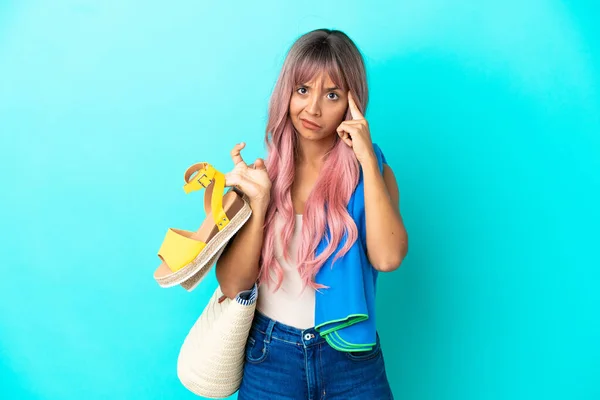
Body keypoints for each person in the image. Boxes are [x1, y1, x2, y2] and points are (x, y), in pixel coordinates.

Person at [217, 28, 408, 400]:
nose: (313, 109)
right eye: (303, 89)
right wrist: (257, 207)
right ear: (286, 91)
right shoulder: (261, 175)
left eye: (332, 94)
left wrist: (367, 158)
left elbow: (387, 258)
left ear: (352, 105)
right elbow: (232, 286)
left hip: (352, 361)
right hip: (270, 356)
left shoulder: (373, 172)